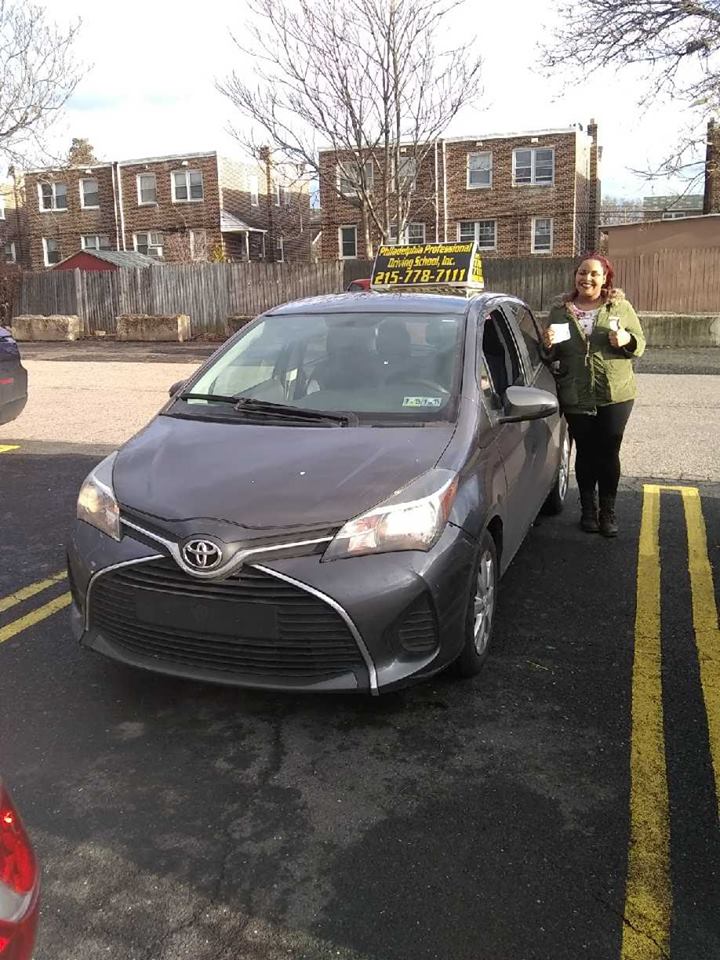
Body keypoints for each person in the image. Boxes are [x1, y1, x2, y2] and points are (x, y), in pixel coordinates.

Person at [542, 254, 645, 537]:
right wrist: (548, 344)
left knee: (609, 450)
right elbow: (550, 355)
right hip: (576, 392)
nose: (586, 278)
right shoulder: (560, 311)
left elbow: (640, 343)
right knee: (586, 452)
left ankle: (607, 511)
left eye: (593, 274)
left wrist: (627, 340)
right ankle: (588, 510)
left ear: (605, 278)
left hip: (615, 393)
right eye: (581, 273)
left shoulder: (619, 307)